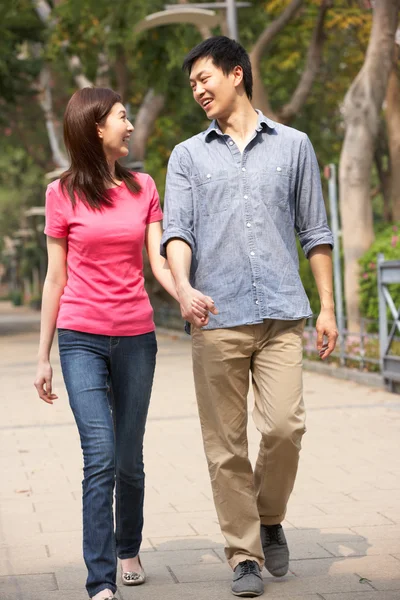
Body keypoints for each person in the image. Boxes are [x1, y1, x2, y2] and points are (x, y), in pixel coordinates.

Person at [161, 36, 339, 597]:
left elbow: (316, 232)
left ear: (237, 73)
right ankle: (244, 554)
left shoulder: (295, 146)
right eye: (191, 84)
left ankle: (268, 516)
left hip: (283, 312)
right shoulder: (187, 156)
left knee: (287, 427)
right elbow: (178, 232)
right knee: (226, 446)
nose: (197, 90)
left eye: (204, 78)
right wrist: (185, 288)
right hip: (216, 318)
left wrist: (328, 307)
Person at [33, 87, 208, 600]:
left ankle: (128, 545)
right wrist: (42, 357)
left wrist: (186, 293)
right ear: (95, 128)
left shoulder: (144, 186)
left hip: (135, 336)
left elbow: (157, 262)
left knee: (129, 457)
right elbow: (54, 278)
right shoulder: (60, 193)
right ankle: (101, 580)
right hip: (80, 339)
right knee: (101, 454)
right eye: (122, 118)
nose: (129, 126)